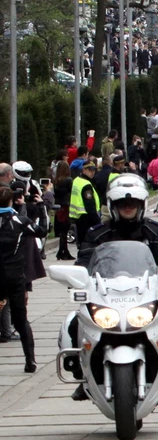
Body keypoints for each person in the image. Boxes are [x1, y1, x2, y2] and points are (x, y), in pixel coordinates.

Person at [74, 174, 158, 402]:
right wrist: (76, 278)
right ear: (113, 206)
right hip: (106, 296)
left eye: (132, 204)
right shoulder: (97, 233)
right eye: (122, 204)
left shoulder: (155, 231)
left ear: (142, 205)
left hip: (145, 295)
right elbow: (82, 264)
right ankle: (82, 375)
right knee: (74, 323)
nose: (128, 208)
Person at [0, 186, 45, 373]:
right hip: (15, 275)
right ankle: (30, 360)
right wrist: (41, 207)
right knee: (21, 319)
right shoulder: (20, 220)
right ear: (12, 201)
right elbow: (41, 231)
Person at [69, 161, 100, 247]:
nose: (92, 172)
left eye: (94, 170)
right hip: (87, 217)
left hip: (78, 217)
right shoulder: (86, 184)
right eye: (90, 170)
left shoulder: (76, 180)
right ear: (84, 170)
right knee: (88, 243)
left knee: (81, 242)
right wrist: (97, 220)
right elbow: (89, 204)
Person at [52, 160, 74, 260]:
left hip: (59, 205)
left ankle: (62, 250)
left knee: (62, 230)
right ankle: (63, 251)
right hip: (66, 205)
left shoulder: (56, 181)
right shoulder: (69, 180)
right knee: (65, 228)